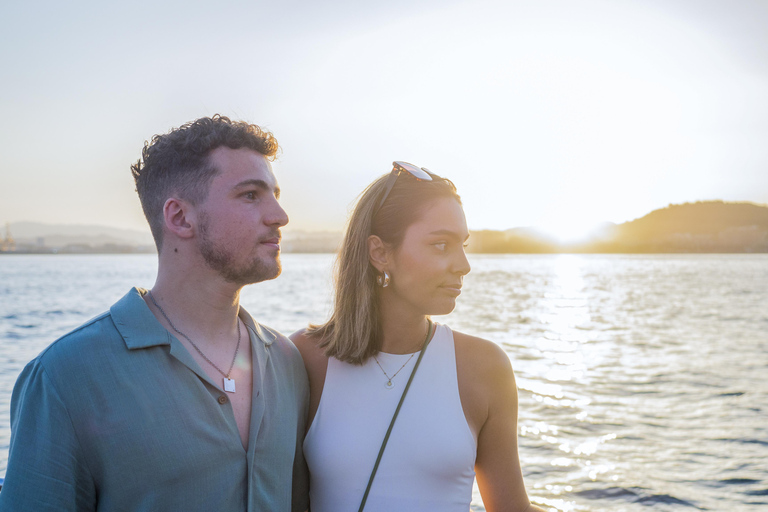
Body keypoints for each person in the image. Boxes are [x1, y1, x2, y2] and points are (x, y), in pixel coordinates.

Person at [0, 115, 309, 511]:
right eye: (251, 195)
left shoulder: (286, 362)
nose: (279, 215)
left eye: (275, 194)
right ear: (180, 217)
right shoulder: (67, 375)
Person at [291, 162, 546, 512]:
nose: (463, 265)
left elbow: (511, 508)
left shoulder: (484, 367)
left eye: (463, 245)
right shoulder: (304, 359)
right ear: (380, 253)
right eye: (441, 245)